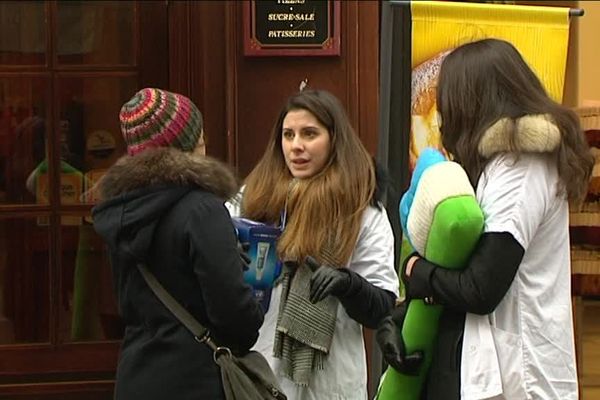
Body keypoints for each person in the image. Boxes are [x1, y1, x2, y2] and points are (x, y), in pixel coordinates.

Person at [379, 38, 593, 400]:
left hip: (520, 378)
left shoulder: (521, 166)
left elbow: (480, 288)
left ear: (470, 102)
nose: (444, 121)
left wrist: (415, 271)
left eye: (448, 104)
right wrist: (397, 321)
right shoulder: (498, 165)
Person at [227, 88, 399, 399]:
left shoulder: (361, 208)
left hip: (329, 381)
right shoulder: (252, 196)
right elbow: (211, 258)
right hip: (258, 371)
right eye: (288, 135)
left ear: (335, 140)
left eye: (309, 134)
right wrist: (229, 254)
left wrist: (347, 284)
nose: (296, 146)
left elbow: (381, 306)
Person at [92, 88, 263, 400]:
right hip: (196, 378)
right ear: (187, 144)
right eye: (199, 137)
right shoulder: (201, 209)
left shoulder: (120, 212)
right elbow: (233, 313)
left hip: (136, 375)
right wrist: (254, 306)